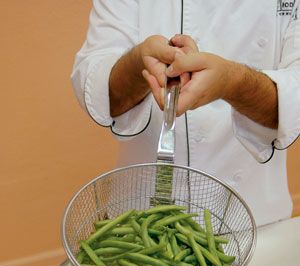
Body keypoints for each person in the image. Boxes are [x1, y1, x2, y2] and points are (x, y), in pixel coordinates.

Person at [71, 0, 300, 227]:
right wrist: (137, 64)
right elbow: (98, 86)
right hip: (139, 223)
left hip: (254, 220)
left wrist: (233, 81)